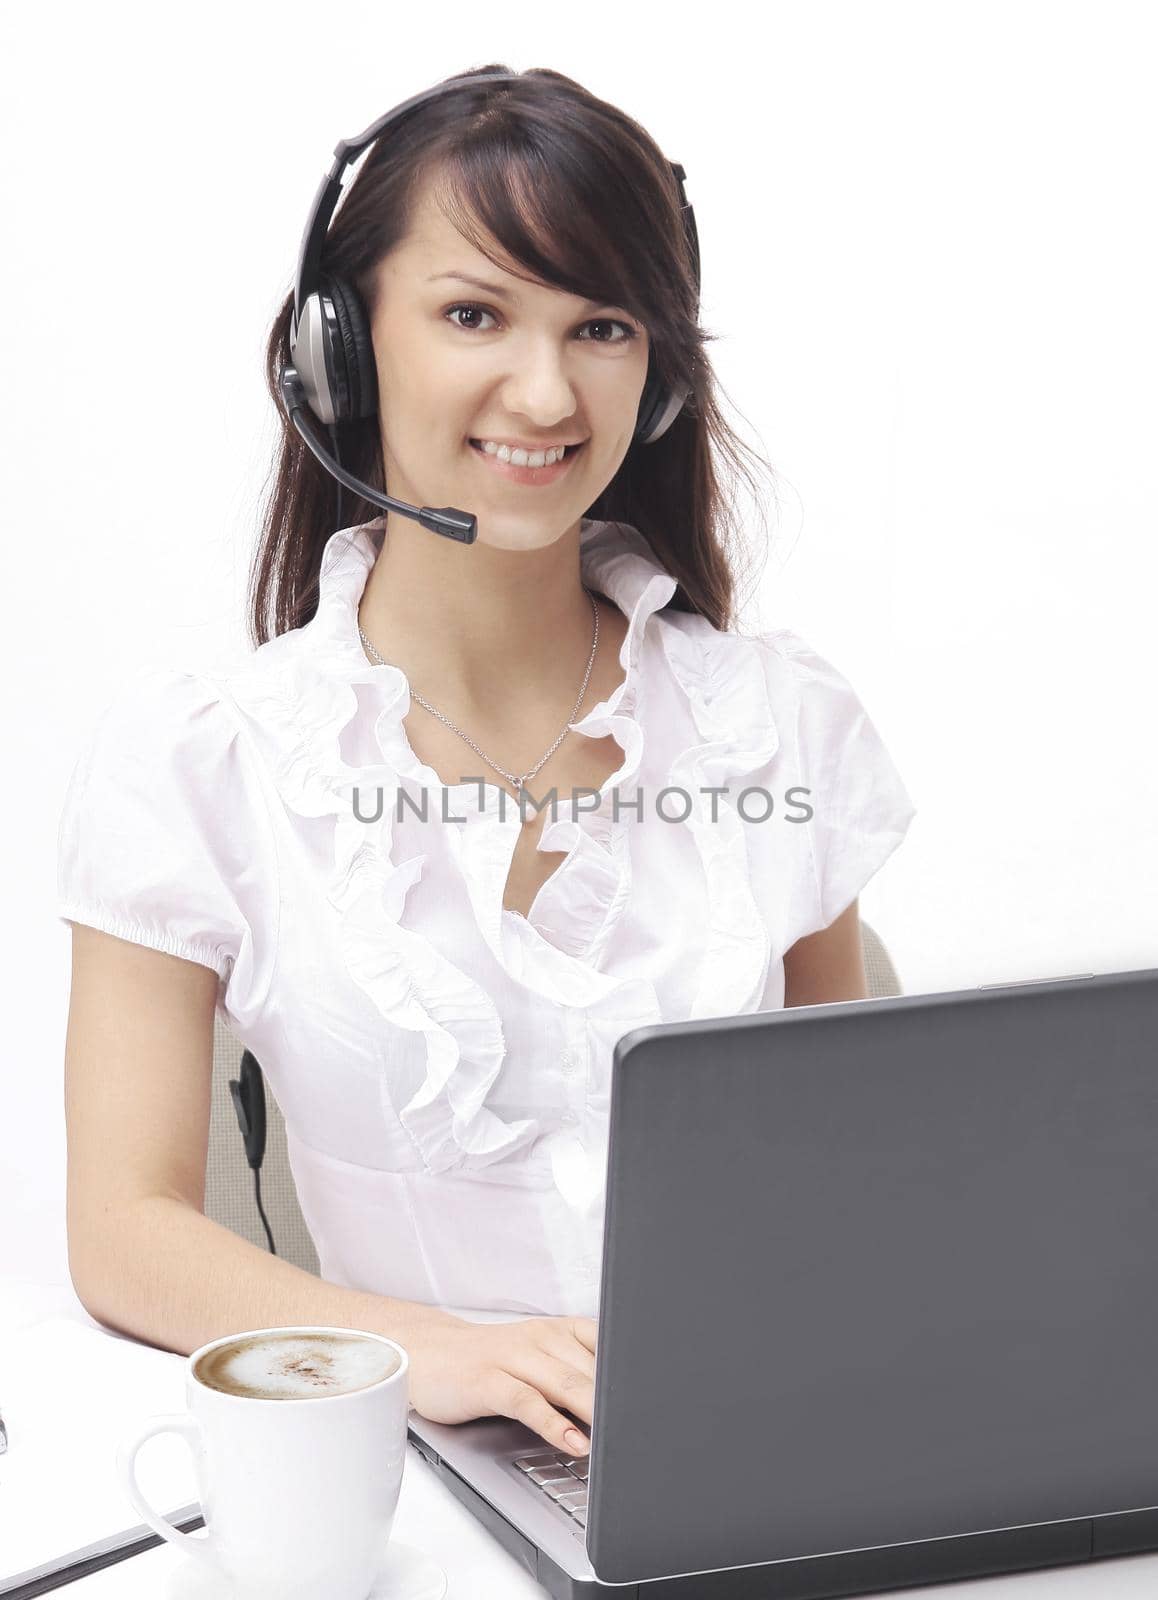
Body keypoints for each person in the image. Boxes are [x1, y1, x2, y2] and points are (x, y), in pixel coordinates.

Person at [57, 65, 916, 1461]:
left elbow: (865, 1160)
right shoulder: (203, 754)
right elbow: (123, 1233)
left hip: (771, 1440)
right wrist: (428, 1349)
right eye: (472, 313)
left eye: (601, 326)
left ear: (655, 375)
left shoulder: (773, 719)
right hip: (409, 1460)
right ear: (338, 347)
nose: (544, 388)